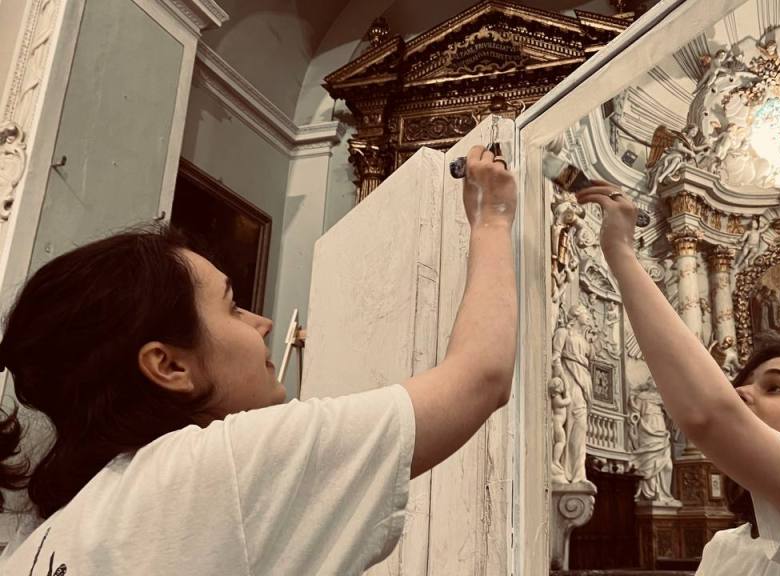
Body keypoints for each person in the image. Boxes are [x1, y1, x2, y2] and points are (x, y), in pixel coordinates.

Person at [0, 144, 517, 575]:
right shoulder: (204, 472)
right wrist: (492, 218)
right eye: (232, 307)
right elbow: (481, 376)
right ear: (170, 367)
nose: (264, 324)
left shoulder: (42, 539)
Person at [575, 181, 780, 575]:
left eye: (776, 388)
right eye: (744, 383)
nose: (742, 393)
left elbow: (710, 415)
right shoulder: (726, 548)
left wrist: (620, 252)